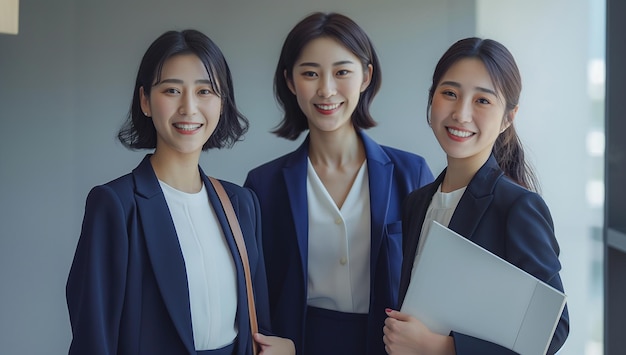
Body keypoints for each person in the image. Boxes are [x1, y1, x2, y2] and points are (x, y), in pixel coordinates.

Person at [66, 29, 294, 355]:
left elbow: (258, 327)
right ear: (145, 100)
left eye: (205, 91)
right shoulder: (115, 206)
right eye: (172, 90)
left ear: (222, 102)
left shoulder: (241, 204)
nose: (189, 107)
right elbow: (93, 338)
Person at [244, 12, 434, 355]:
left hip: (388, 346)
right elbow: (256, 290)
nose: (326, 89)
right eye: (310, 73)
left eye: (342, 72)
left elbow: (433, 281)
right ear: (290, 81)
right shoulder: (263, 185)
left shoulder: (412, 173)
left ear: (366, 76)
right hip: (299, 345)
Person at [383, 37, 570, 354]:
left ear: (508, 118)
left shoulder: (518, 207)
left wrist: (443, 348)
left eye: (482, 101)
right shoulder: (417, 202)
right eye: (450, 94)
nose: (461, 113)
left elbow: (553, 330)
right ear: (432, 99)